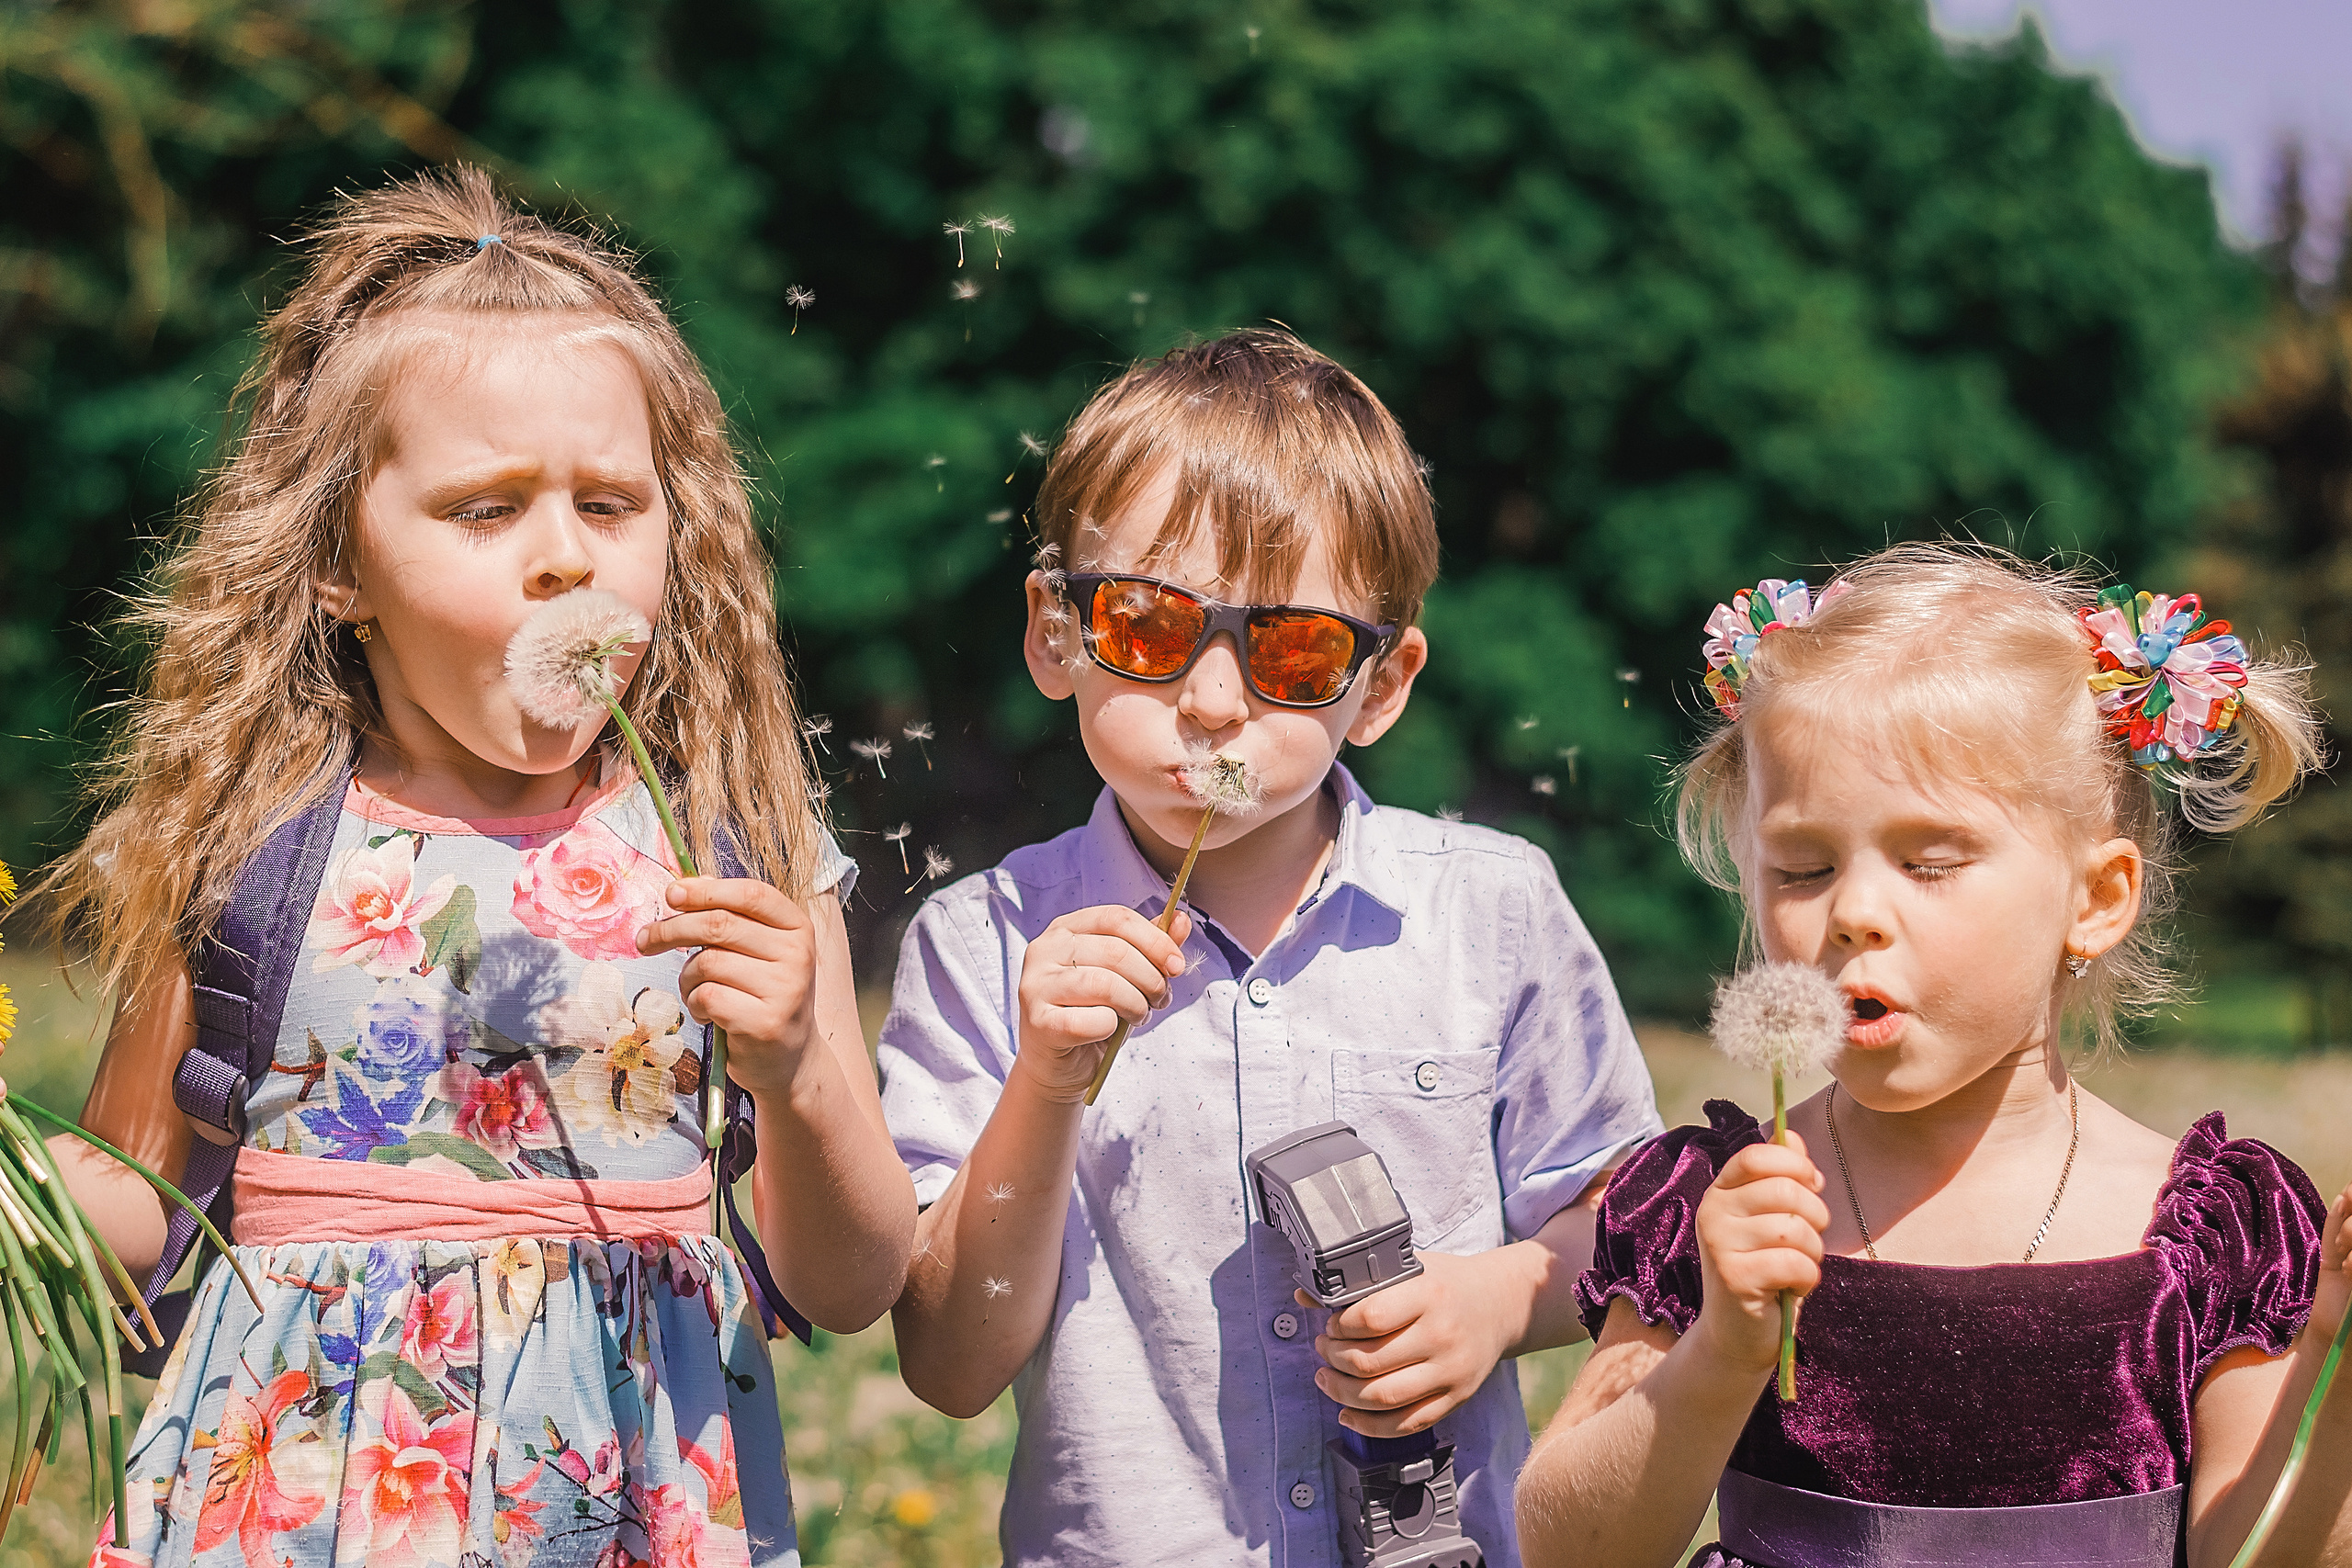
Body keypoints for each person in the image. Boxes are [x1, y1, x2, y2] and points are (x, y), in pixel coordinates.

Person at [43, 167, 913, 1568]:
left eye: (612, 504)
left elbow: (854, 1281)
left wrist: (802, 1061)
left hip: (634, 1500)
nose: (564, 558)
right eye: (486, 509)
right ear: (337, 559)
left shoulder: (738, 832)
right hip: (292, 1510)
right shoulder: (246, 834)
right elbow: (134, 1202)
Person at [879, 330, 1662, 1568]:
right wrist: (1045, 1081)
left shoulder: (1493, 911)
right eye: (1146, 625)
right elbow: (949, 1363)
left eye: (1295, 649)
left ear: (1383, 681)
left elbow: (1623, 1236)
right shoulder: (982, 943)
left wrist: (1496, 1299)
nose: (1213, 697)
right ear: (1053, 630)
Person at [1515, 545, 2352, 1568]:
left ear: (2092, 901)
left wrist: (2332, 1367)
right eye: (1803, 866)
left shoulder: (2211, 1235)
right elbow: (1570, 1548)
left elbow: (2263, 1556)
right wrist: (1721, 1352)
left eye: (1930, 863)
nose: (1855, 913)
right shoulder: (1718, 1206)